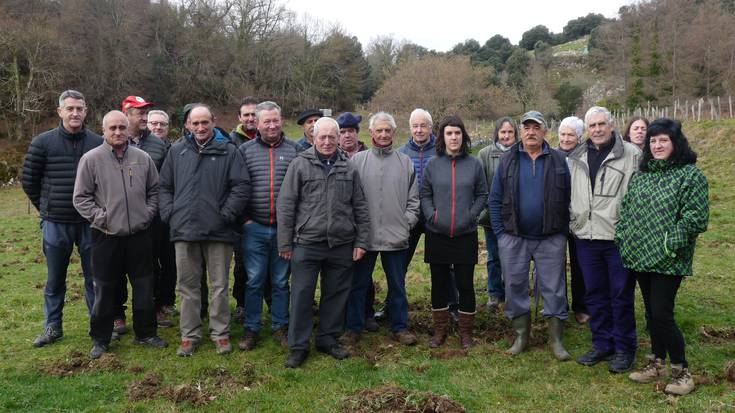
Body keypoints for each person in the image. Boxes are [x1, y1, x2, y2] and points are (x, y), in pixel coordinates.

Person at [617, 118, 708, 396]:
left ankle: (682, 372)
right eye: (653, 141)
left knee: (662, 314)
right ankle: (656, 363)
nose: (657, 145)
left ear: (675, 143)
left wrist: (670, 244)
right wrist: (623, 236)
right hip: (640, 255)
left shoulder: (690, 176)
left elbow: (696, 217)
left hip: (669, 259)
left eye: (663, 140)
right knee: (650, 313)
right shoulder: (641, 176)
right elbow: (627, 210)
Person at [277, 117, 370, 368]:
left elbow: (360, 205)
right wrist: (285, 244)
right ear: (313, 138)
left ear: (339, 138)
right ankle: (298, 346)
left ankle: (328, 339)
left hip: (341, 243)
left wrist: (361, 241)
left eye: (332, 137)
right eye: (322, 137)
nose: (327, 142)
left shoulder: (348, 168)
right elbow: (286, 205)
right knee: (302, 295)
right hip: (307, 242)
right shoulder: (299, 164)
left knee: (336, 295)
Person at [73, 110, 167, 359]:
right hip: (105, 236)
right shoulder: (91, 159)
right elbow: (80, 198)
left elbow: (155, 190)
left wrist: (146, 214)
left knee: (144, 285)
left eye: (121, 128)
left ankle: (145, 333)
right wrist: (101, 218)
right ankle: (101, 339)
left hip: (139, 234)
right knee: (105, 289)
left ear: (128, 130)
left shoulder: (142, 158)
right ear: (103, 130)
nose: (117, 132)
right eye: (112, 128)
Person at [159, 104, 250, 356]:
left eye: (204, 122)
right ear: (187, 124)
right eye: (195, 123)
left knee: (219, 285)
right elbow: (164, 187)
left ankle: (220, 333)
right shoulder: (176, 152)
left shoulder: (229, 151)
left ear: (213, 122)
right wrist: (170, 214)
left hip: (219, 231)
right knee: (187, 285)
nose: (200, 127)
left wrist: (226, 215)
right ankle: (189, 335)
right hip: (184, 230)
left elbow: (241, 186)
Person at [489, 110, 572, 361]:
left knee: (554, 288)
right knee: (514, 285)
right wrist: (501, 234)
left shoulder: (559, 160)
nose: (531, 132)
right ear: (520, 131)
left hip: (551, 237)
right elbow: (494, 199)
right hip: (514, 237)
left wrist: (561, 231)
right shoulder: (508, 160)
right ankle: (521, 336)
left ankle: (556, 339)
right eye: (527, 127)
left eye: (536, 127)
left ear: (545, 131)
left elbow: (569, 198)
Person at [22, 90, 103, 347]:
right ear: (60, 111)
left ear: (86, 111)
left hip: (89, 223)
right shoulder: (42, 142)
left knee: (95, 278)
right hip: (56, 222)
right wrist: (45, 207)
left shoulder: (98, 143)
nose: (75, 113)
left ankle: (99, 327)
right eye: (70, 108)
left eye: (79, 108)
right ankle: (52, 327)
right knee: (55, 279)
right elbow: (29, 181)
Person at [568, 106, 641, 373]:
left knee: (620, 295)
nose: (597, 130)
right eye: (592, 125)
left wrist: (630, 228)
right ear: (587, 129)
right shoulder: (575, 156)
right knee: (595, 295)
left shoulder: (631, 155)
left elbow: (639, 195)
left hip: (616, 238)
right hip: (585, 238)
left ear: (611, 125)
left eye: (601, 124)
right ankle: (602, 344)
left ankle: (624, 348)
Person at [344, 112, 420, 346]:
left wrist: (406, 223)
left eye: (388, 130)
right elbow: (348, 199)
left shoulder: (405, 161)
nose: (384, 134)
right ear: (371, 133)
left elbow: (414, 200)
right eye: (379, 130)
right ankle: (354, 328)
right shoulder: (357, 161)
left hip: (396, 237)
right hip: (364, 238)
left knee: (397, 286)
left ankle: (399, 326)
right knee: (358, 285)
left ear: (394, 133)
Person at [421, 115, 487, 349]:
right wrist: (432, 216)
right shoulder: (432, 164)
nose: (453, 137)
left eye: (457, 133)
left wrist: (471, 216)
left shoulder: (474, 164)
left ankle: (466, 333)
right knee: (438, 284)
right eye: (449, 133)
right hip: (437, 233)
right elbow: (425, 194)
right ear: (442, 137)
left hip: (465, 234)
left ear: (463, 136)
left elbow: (482, 194)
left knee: (465, 285)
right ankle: (440, 331)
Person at [238, 101, 300, 351]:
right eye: (267, 121)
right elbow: (237, 187)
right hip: (254, 227)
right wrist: (245, 220)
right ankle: (251, 328)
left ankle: (280, 326)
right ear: (257, 123)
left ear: (281, 120)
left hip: (285, 230)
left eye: (276, 120)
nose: (272, 125)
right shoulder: (245, 151)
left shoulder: (295, 150)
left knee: (281, 281)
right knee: (254, 281)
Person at [114, 100, 176, 331]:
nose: (144, 117)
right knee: (118, 267)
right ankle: (117, 314)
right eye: (139, 113)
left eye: (145, 112)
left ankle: (155, 307)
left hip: (153, 216)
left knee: (152, 266)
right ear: (126, 114)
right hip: (119, 217)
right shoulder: (113, 141)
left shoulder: (158, 145)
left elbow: (167, 181)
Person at [477, 117, 518, 311]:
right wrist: (488, 209)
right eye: (503, 132)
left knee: (515, 257)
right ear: (497, 134)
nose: (506, 136)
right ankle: (495, 293)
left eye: (510, 132)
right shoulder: (485, 154)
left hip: (517, 217)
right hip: (492, 216)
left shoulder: (523, 153)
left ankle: (513, 293)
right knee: (494, 256)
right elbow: (480, 185)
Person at [556, 116, 589, 325]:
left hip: (579, 219)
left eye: (571, 135)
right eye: (563, 134)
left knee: (580, 264)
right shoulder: (552, 155)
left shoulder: (586, 156)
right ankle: (559, 306)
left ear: (579, 137)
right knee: (555, 265)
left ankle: (581, 306)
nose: (566, 139)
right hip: (557, 219)